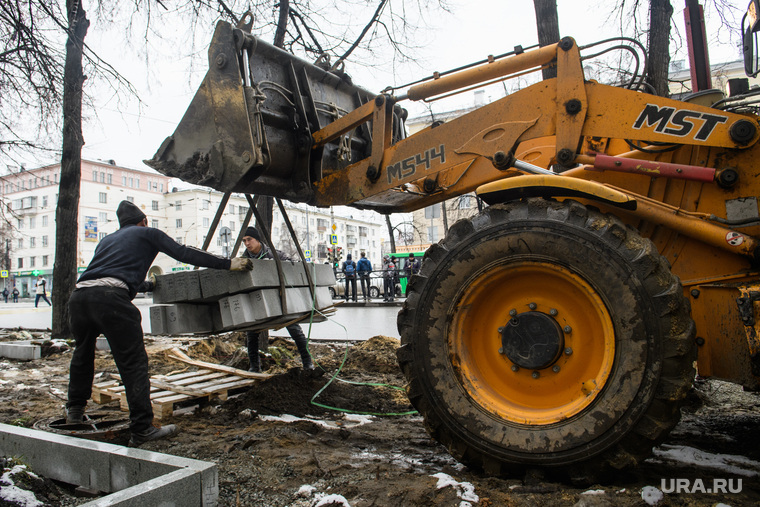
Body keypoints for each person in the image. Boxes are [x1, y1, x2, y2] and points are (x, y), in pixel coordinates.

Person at [66, 200, 253, 447]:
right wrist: (227, 263)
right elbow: (182, 252)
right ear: (143, 221)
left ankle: (75, 411)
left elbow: (109, 274)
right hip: (111, 301)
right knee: (133, 363)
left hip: (79, 299)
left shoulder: (107, 240)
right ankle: (143, 428)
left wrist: (149, 285)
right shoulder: (148, 233)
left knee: (82, 352)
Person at [240, 226, 314, 372]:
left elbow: (291, 266)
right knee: (251, 333)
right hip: (257, 301)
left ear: (258, 239)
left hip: (279, 300)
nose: (247, 243)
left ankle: (307, 362)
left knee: (294, 328)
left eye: (249, 239)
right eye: (244, 241)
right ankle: (255, 367)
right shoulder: (243, 260)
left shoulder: (274, 254)